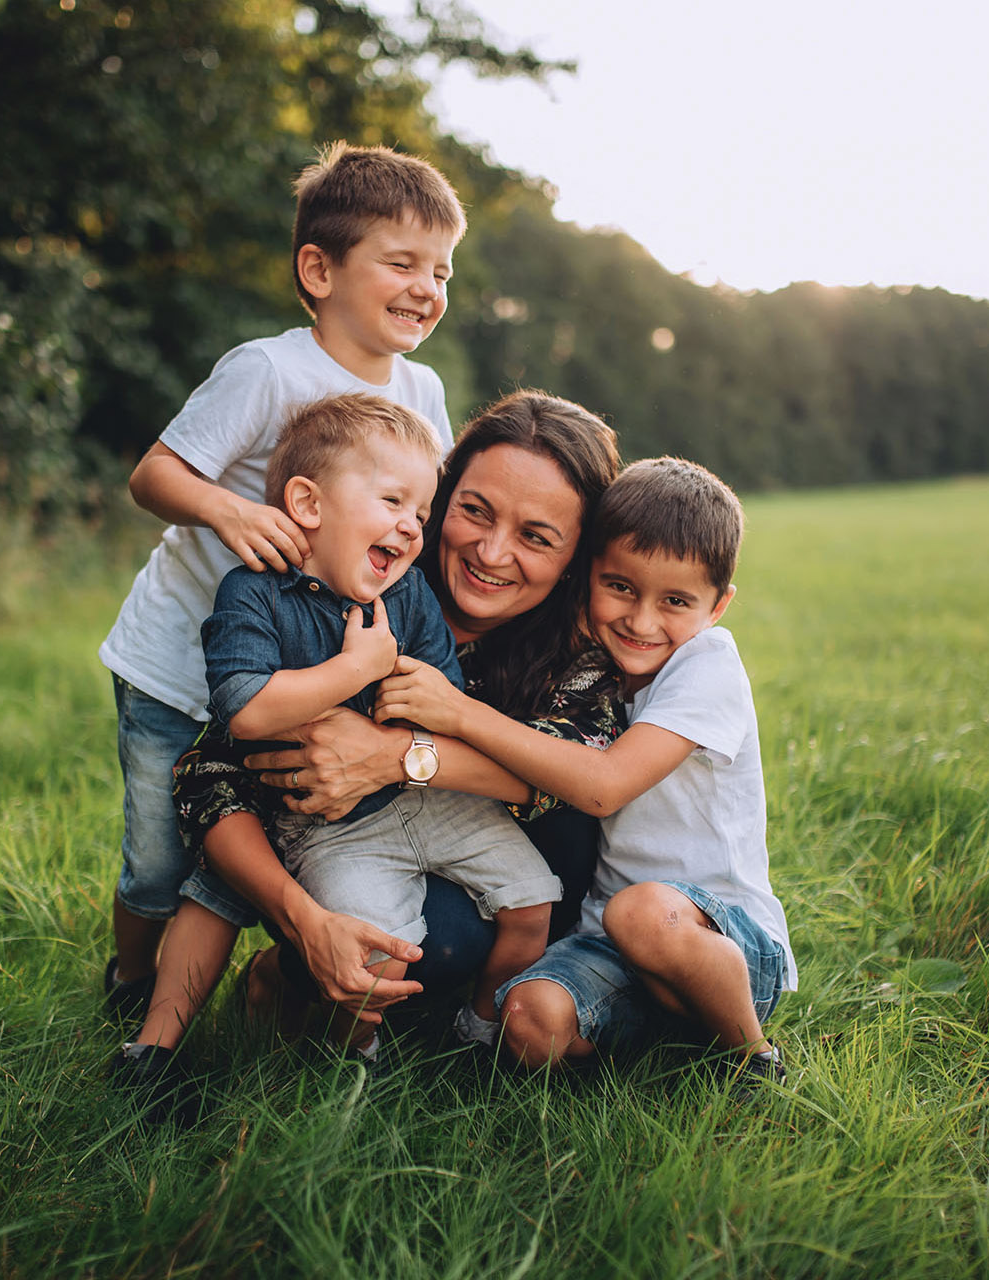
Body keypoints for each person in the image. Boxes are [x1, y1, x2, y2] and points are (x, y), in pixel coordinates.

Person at [93, 142, 465, 1027]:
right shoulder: (267, 369)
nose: (427, 288)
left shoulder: (423, 390)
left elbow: (425, 517)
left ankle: (253, 986)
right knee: (157, 858)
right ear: (319, 267)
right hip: (177, 666)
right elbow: (154, 475)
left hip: (291, 675)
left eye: (443, 271)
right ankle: (131, 982)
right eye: (402, 262)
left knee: (255, 841)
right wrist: (226, 511)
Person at [161, 391, 623, 1052]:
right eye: (473, 511)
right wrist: (302, 920)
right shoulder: (358, 583)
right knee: (416, 936)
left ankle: (477, 1020)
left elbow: (583, 777)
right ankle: (304, 977)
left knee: (556, 850)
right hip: (338, 855)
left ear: (576, 556)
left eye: (536, 537)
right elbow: (210, 774)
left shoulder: (575, 650)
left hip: (485, 858)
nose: (492, 552)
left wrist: (400, 753)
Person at [375, 457, 797, 1088]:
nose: (642, 621)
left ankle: (750, 1058)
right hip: (608, 939)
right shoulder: (593, 668)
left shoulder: (706, 664)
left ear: (719, 605)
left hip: (722, 940)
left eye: (676, 601)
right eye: (621, 587)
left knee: (645, 913)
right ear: (587, 575)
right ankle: (655, 1042)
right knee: (527, 1019)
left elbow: (601, 786)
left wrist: (457, 713)